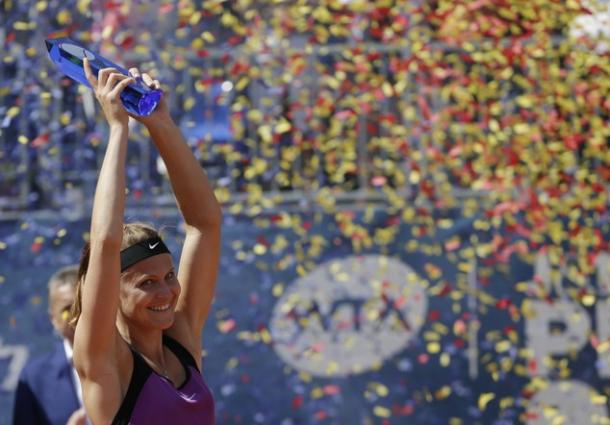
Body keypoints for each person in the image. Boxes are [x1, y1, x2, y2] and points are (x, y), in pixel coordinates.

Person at [67, 58, 222, 424]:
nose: (167, 292)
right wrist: (118, 129)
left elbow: (206, 224)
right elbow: (105, 244)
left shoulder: (181, 339)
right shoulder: (104, 360)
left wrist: (160, 123)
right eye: (147, 283)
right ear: (111, 292)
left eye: (168, 276)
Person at [13, 265, 88, 425]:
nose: (76, 315)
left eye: (83, 305)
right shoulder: (34, 379)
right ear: (53, 318)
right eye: (68, 309)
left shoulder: (129, 362)